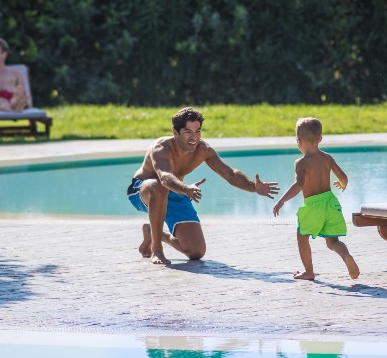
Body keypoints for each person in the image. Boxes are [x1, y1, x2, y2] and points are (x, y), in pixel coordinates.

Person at [128, 107, 280, 265]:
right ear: (175, 132)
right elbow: (165, 178)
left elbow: (230, 174)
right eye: (188, 132)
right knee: (158, 187)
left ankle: (153, 233)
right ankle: (156, 250)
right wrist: (186, 189)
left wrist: (254, 187)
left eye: (198, 131)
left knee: (196, 252)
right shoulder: (161, 148)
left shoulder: (203, 150)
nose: (194, 137)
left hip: (177, 190)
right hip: (143, 191)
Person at [272, 117, 359, 281]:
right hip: (331, 202)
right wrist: (342, 185)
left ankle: (309, 272)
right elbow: (344, 177)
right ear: (320, 139)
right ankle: (346, 256)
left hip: (314, 205)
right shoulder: (327, 158)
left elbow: (299, 185)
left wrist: (282, 200)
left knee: (302, 237)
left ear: (298, 141)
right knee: (332, 241)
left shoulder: (301, 163)